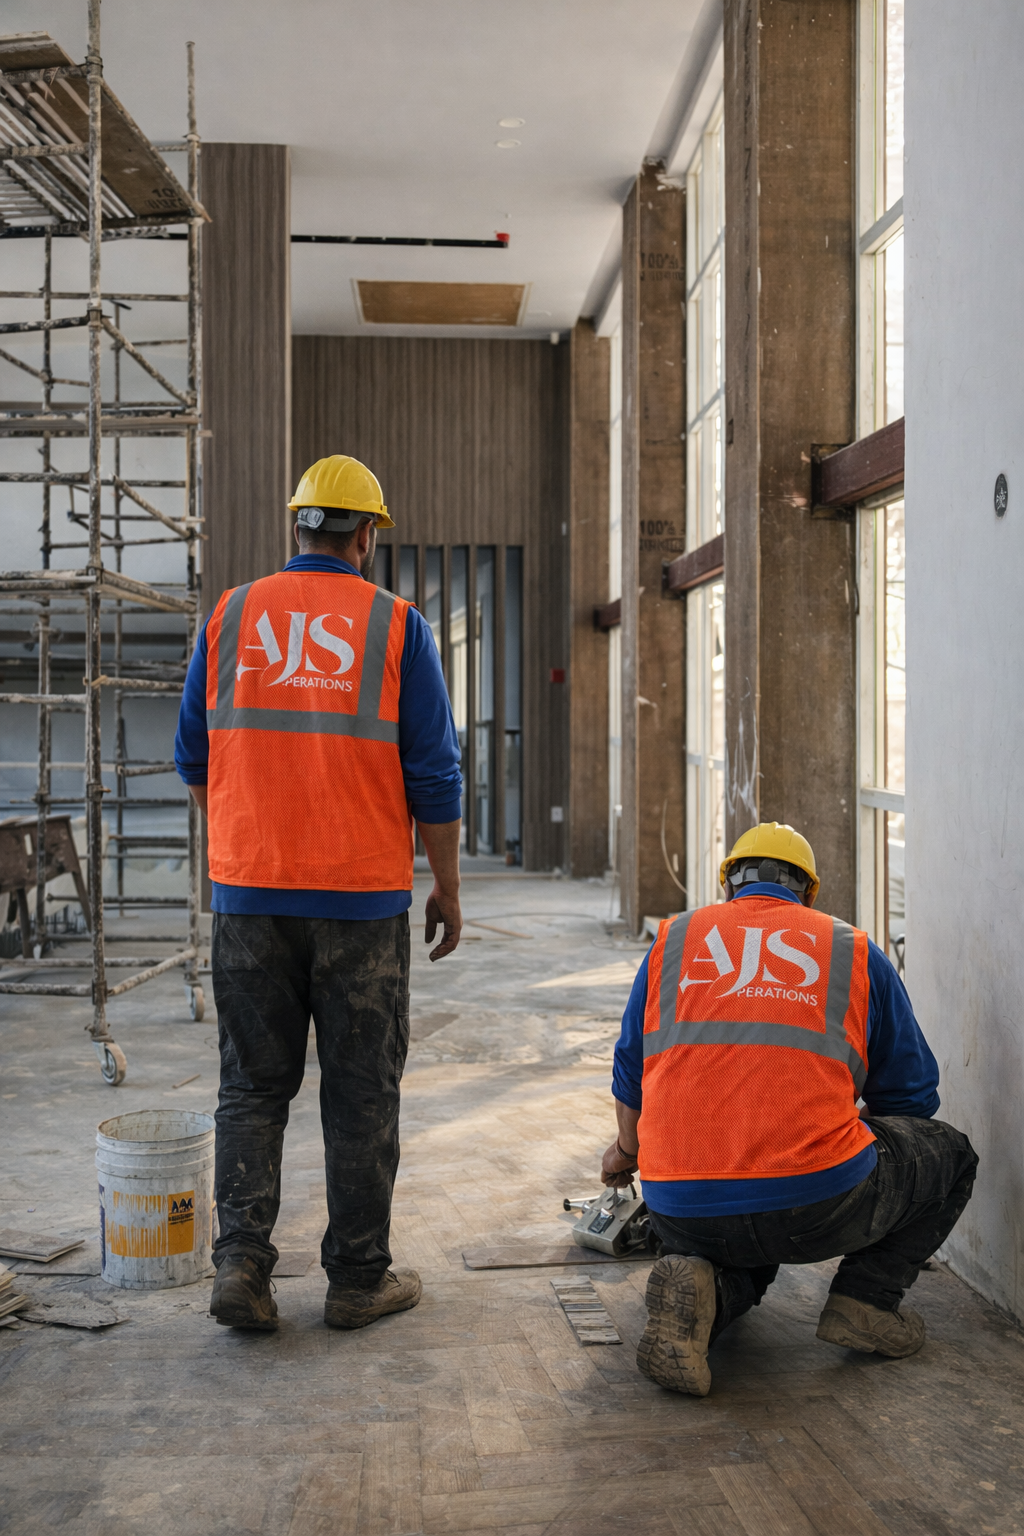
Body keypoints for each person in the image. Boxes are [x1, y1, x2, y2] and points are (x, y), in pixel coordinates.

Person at [174, 454, 464, 1332]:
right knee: (361, 1093)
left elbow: (195, 760)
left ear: (295, 525)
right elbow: (435, 777)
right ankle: (355, 1280)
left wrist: (245, 844)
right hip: (362, 906)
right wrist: (446, 885)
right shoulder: (397, 626)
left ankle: (242, 1268)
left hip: (249, 898)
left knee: (252, 1090)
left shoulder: (230, 616)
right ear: (367, 536)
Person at [601, 821, 977, 1396]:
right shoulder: (851, 948)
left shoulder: (674, 941)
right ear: (808, 891)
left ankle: (703, 1293)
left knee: (738, 1232)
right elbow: (914, 1100)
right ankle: (866, 1300)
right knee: (951, 1152)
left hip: (678, 1206)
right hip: (814, 1207)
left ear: (729, 885)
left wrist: (625, 1152)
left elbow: (632, 1076)